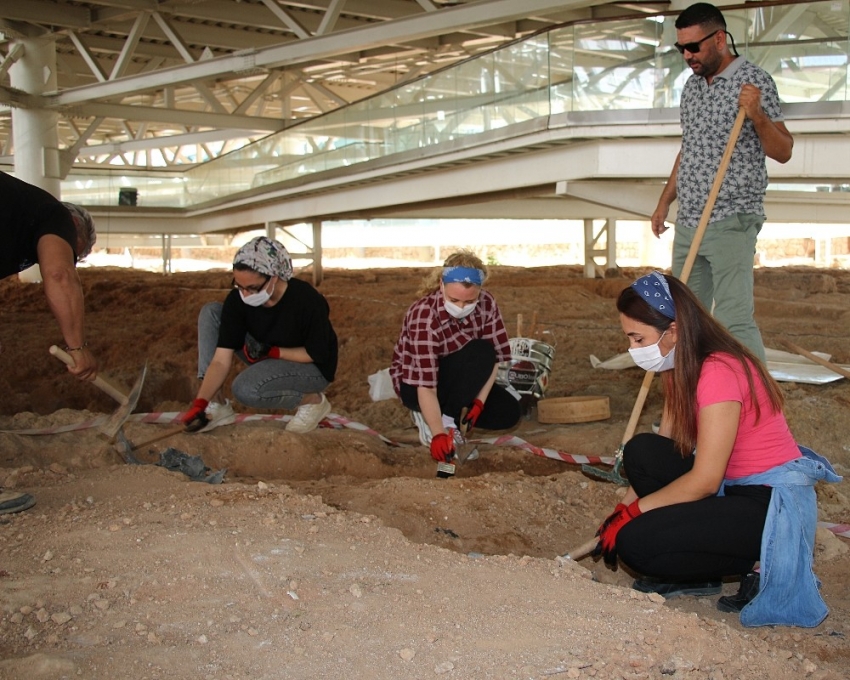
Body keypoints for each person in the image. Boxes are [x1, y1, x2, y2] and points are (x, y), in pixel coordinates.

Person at [593, 271, 840, 628]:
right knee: (642, 452)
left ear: (673, 330)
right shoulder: (680, 365)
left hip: (769, 505)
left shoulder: (718, 370)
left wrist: (633, 517)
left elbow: (706, 480)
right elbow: (664, 443)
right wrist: (623, 507)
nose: (634, 349)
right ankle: (699, 562)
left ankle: (757, 562)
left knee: (636, 544)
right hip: (733, 486)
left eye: (638, 337)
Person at [650, 3, 794, 364]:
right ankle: (700, 403)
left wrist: (757, 114)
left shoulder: (754, 81)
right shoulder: (692, 89)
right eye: (681, 48)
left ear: (718, 39)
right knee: (685, 318)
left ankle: (758, 407)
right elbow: (690, 150)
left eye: (694, 47)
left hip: (732, 217)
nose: (687, 55)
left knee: (733, 319)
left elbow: (784, 150)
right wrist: (665, 200)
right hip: (689, 219)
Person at [0, 171, 99, 515]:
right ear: (74, 227)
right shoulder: (54, 214)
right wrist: (77, 346)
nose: (72, 259)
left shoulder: (17, 214)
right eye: (76, 252)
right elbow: (59, 275)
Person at [182, 236, 338, 435]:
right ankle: (217, 405)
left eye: (253, 288)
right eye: (239, 286)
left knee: (246, 389)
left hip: (310, 367)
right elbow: (220, 360)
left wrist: (272, 352)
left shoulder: (306, 301)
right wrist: (201, 402)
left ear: (274, 277)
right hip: (266, 355)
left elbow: (315, 354)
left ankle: (313, 402)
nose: (245, 295)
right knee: (212, 312)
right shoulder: (238, 300)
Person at [390, 250, 521, 465]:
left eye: (469, 301)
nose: (461, 307)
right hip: (418, 386)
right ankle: (439, 423)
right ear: (441, 285)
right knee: (480, 350)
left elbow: (494, 359)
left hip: (460, 380)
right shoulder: (424, 315)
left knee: (508, 412)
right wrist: (439, 434)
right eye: (454, 300)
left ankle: (449, 420)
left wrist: (479, 402)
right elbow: (426, 385)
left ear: (480, 291)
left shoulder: (487, 303)